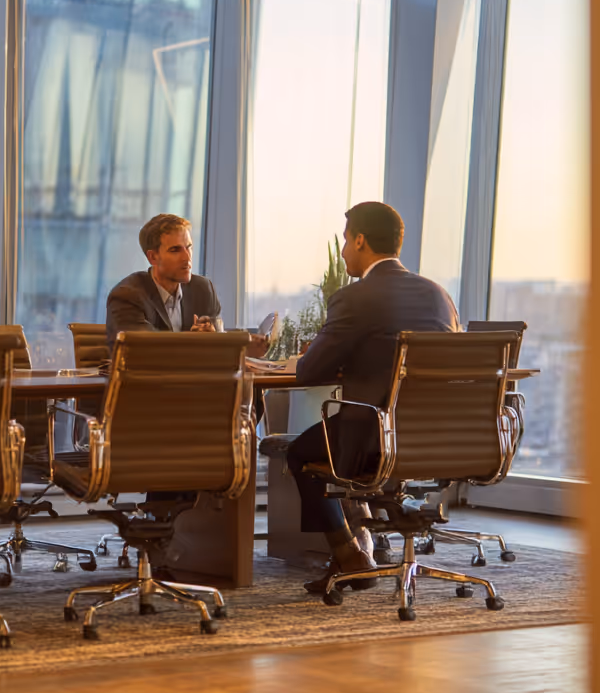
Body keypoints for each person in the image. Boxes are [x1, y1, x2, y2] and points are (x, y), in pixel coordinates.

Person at [287, 201, 458, 594]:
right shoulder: (438, 296)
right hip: (437, 434)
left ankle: (350, 556)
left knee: (299, 452)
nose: (344, 251)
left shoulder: (355, 297)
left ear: (360, 240)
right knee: (330, 440)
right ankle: (355, 546)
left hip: (373, 437)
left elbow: (310, 372)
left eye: (346, 241)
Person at [107, 213, 269, 354]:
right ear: (153, 257)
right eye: (175, 250)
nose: (187, 257)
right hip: (146, 386)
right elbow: (146, 350)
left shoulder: (202, 289)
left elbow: (217, 339)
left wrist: (216, 337)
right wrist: (195, 342)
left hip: (195, 384)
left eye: (189, 247)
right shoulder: (128, 296)